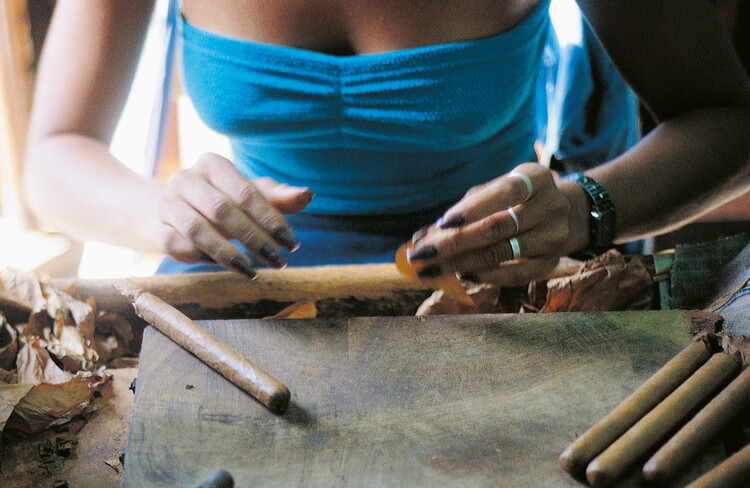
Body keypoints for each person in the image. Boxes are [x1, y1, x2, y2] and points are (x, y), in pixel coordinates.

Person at [22, 0, 750, 287]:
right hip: (246, 287)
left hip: (493, 286)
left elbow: (727, 121)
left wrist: (583, 207)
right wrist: (160, 210)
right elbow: (53, 154)